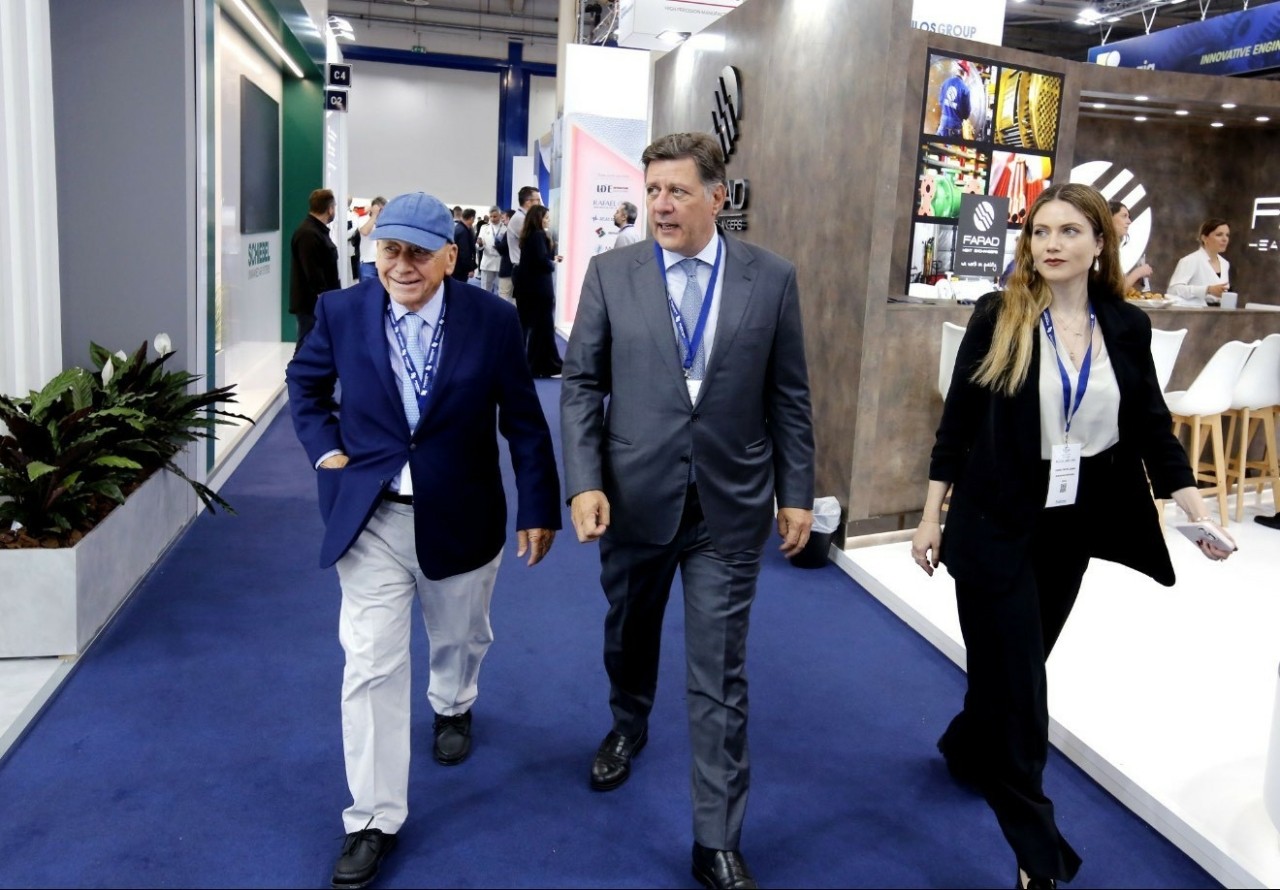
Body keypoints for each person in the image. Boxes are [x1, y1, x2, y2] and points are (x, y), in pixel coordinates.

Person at [909, 183, 1235, 890]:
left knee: (1015, 667)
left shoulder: (1126, 326)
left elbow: (1151, 426)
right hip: (992, 525)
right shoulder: (999, 315)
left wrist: (1194, 508)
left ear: (1098, 244)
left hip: (1069, 527)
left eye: (1067, 231)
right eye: (1039, 231)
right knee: (1023, 691)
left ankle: (967, 746)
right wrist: (932, 514)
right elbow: (956, 426)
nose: (1050, 244)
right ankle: (1038, 854)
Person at [560, 131, 815, 890]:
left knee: (720, 674)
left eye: (677, 190)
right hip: (634, 499)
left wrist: (797, 491)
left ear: (717, 196)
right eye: (653, 191)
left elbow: (789, 396)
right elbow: (582, 385)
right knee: (630, 633)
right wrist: (584, 481)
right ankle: (628, 721)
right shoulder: (613, 274)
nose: (661, 205)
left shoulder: (772, 279)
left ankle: (716, 839)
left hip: (729, 507)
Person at [285, 191, 562, 890]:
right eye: (389, 250)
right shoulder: (341, 312)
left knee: (459, 636)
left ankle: (453, 703)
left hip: (462, 511)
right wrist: (324, 448)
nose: (401, 266)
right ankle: (372, 818)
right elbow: (305, 385)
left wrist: (538, 505)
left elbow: (524, 422)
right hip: (371, 515)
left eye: (417, 252)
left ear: (450, 256)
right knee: (370, 665)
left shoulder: (491, 321)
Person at [513, 204, 563, 378]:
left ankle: (538, 365)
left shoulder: (528, 236)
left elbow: (535, 260)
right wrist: (552, 263)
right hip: (540, 289)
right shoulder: (539, 235)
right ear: (538, 219)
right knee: (543, 329)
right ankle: (548, 365)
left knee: (537, 329)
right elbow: (541, 262)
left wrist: (550, 259)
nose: (548, 220)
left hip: (529, 289)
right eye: (546, 217)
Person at [289, 188, 341, 353]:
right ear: (330, 209)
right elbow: (312, 271)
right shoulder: (308, 233)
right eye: (334, 207)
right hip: (311, 305)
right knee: (306, 344)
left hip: (317, 303)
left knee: (313, 344)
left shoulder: (316, 231)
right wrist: (324, 300)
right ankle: (298, 370)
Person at [1166, 217, 1231, 307]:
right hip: (1197, 312)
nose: (1225, 239)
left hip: (1220, 311)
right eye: (1219, 235)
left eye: (1227, 235)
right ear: (1204, 238)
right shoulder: (1191, 260)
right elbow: (1173, 289)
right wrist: (1207, 290)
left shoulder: (1225, 264)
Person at [1107, 201, 1153, 292]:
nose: (1129, 222)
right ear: (1109, 218)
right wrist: (1138, 273)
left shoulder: (1112, 248)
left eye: (1128, 217)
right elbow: (1112, 292)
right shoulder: (1100, 247)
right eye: (1124, 216)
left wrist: (1132, 279)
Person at [506, 186, 542, 271]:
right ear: (528, 202)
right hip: (524, 269)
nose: (540, 203)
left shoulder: (525, 217)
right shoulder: (520, 219)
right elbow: (535, 243)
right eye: (538, 200)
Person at [937, 59, 972, 139]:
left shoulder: (946, 82)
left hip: (943, 124)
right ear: (965, 73)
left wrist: (947, 111)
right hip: (954, 128)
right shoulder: (965, 89)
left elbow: (941, 102)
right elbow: (966, 114)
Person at [356, 196, 386, 282]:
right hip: (367, 262)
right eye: (380, 209)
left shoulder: (385, 222)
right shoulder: (363, 219)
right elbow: (365, 232)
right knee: (367, 288)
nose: (381, 212)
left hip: (382, 262)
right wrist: (374, 215)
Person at [476, 206, 505, 294]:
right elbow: (479, 245)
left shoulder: (505, 229)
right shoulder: (484, 228)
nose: (492, 219)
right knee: (485, 289)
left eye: (495, 216)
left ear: (500, 216)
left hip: (500, 262)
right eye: (491, 216)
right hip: (487, 262)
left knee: (501, 291)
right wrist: (480, 244)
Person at [451, 208, 477, 282]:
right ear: (472, 218)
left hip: (455, 266)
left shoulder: (458, 228)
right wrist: (469, 269)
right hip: (460, 269)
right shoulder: (463, 231)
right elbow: (465, 252)